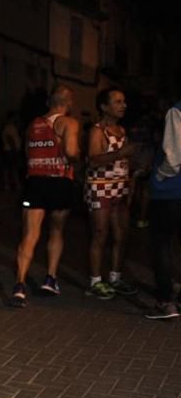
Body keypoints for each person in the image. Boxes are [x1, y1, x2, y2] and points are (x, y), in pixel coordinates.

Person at [11, 85, 81, 307]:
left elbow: (26, 153)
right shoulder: (69, 123)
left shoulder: (33, 124)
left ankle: (19, 285)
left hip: (36, 181)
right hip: (60, 180)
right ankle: (50, 279)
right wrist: (77, 157)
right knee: (56, 229)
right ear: (68, 103)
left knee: (30, 234)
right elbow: (71, 152)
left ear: (49, 102)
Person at [84, 88, 137, 299]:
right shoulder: (97, 131)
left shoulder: (122, 130)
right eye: (117, 102)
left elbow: (126, 160)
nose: (123, 105)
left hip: (120, 188)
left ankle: (115, 278)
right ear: (104, 107)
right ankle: (95, 281)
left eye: (124, 101)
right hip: (100, 187)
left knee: (121, 234)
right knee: (100, 234)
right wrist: (120, 153)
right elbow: (93, 159)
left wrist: (131, 177)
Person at [145, 103, 181, 319]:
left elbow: (174, 157)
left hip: (170, 190)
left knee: (162, 245)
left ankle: (165, 301)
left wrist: (159, 175)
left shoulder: (176, 111)